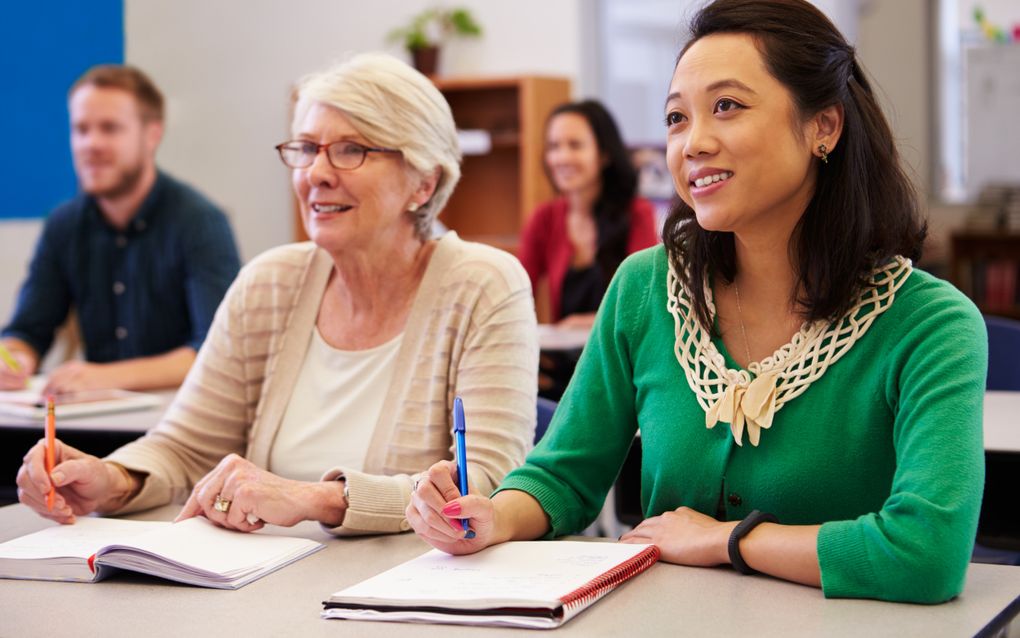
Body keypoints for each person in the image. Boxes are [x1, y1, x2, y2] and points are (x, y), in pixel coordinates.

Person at [407, 0, 987, 604]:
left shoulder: (930, 325)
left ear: (825, 126)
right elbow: (562, 475)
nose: (693, 143)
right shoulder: (645, 288)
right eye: (676, 118)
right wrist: (491, 519)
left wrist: (725, 540)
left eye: (727, 107)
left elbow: (926, 551)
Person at [15, 53, 538, 536]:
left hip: (411, 599)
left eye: (351, 150)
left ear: (424, 182)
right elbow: (185, 446)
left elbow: (484, 487)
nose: (316, 173)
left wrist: (318, 500)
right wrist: (112, 478)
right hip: (262, 582)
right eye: (307, 148)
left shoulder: (484, 285)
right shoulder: (270, 283)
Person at [0, 65, 241, 394]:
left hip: (177, 423)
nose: (91, 144)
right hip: (94, 419)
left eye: (110, 128)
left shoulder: (199, 222)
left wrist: (107, 375)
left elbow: (217, 352)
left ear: (152, 135)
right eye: (81, 129)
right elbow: (28, 330)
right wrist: (14, 358)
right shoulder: (64, 225)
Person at [518, 100, 658, 329]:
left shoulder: (637, 213)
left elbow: (647, 300)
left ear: (604, 154)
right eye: (554, 146)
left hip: (624, 355)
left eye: (575, 145)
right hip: (564, 361)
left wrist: (588, 324)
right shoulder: (544, 218)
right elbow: (517, 293)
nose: (561, 157)